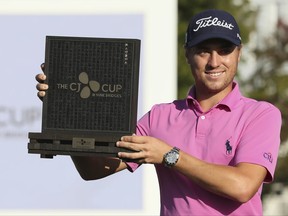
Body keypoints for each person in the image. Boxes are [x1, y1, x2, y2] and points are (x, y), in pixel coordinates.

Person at [36, 9, 282, 216]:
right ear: (187, 54)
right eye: (203, 50)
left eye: (225, 50)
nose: (214, 61)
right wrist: (66, 107)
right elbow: (95, 170)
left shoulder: (260, 114)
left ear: (239, 53)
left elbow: (242, 186)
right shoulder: (160, 116)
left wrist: (170, 156)